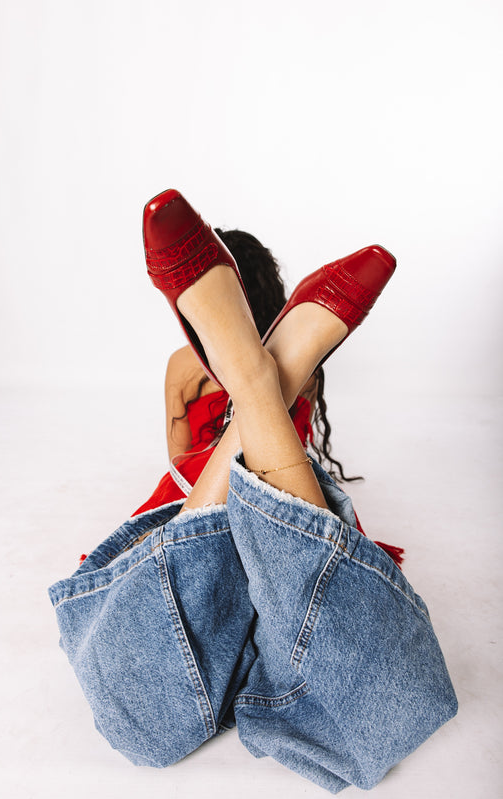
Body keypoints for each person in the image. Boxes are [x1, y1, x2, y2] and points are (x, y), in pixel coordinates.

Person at [49, 190, 457, 794]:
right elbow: (304, 439)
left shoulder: (178, 365)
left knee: (137, 713)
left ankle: (249, 375)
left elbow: (177, 439)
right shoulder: (313, 383)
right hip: (288, 485)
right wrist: (284, 399)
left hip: (199, 487)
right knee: (378, 693)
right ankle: (268, 377)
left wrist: (208, 455)